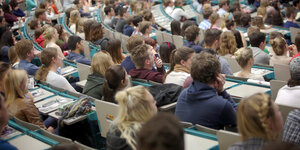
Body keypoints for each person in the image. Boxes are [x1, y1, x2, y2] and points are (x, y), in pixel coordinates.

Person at [175, 52, 237, 129]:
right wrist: (222, 91)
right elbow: (239, 119)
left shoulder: (183, 95)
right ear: (217, 76)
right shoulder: (222, 105)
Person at [106, 86, 157, 150]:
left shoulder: (113, 129)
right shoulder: (146, 136)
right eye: (153, 102)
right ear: (143, 110)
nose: (156, 103)